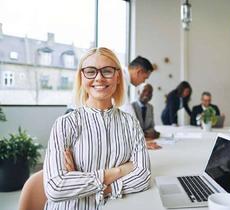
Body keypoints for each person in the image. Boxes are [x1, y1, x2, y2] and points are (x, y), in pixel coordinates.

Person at [43, 47, 151, 209]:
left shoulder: (131, 124)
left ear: (118, 77)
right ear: (82, 76)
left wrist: (81, 180)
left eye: (107, 71)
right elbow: (56, 187)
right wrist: (119, 171)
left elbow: (143, 177)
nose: (99, 78)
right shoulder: (64, 124)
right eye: (90, 71)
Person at [132, 84, 161, 150]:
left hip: (149, 141)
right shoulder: (131, 107)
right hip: (136, 144)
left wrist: (150, 132)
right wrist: (145, 134)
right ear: (138, 92)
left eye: (150, 92)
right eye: (144, 91)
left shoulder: (150, 107)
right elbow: (132, 129)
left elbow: (152, 126)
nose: (147, 93)